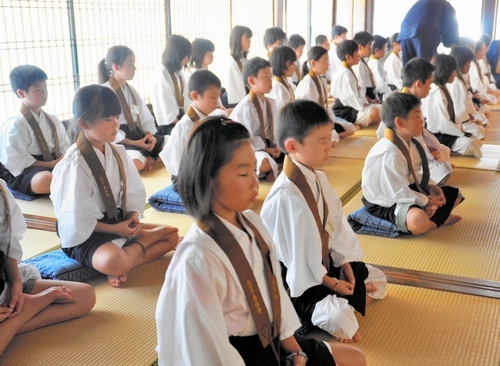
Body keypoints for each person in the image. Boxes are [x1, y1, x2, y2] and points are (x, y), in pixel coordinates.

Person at [155, 116, 367, 366]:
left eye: (254, 171)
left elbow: (276, 296)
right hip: (239, 353)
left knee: (355, 359)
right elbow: (206, 349)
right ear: (209, 179)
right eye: (244, 173)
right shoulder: (196, 257)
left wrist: (296, 352)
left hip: (273, 340)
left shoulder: (252, 223)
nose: (255, 183)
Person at [261, 100, 387, 343]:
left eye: (329, 136)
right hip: (297, 280)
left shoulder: (317, 177)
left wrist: (345, 262)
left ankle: (345, 306)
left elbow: (336, 225)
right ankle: (338, 308)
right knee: (345, 322)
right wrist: (335, 284)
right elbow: (298, 264)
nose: (330, 144)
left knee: (378, 278)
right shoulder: (285, 197)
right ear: (292, 146)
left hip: (323, 263)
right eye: (321, 141)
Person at [50, 85, 179, 288]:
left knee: (172, 235)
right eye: (108, 119)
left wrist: (133, 217)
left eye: (117, 117)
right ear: (83, 123)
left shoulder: (118, 152)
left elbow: (132, 191)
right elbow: (75, 218)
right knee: (115, 261)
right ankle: (123, 261)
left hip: (117, 222)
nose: (116, 124)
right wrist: (117, 229)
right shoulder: (73, 164)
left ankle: (122, 264)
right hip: (87, 233)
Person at [0, 178, 95, 355]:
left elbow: (8, 245)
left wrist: (16, 285)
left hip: (4, 287)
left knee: (84, 296)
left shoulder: (0, 190)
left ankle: (14, 319)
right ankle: (19, 318)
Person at [362, 92, 464, 235]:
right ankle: (435, 222)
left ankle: (432, 216)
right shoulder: (389, 153)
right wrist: (427, 200)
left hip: (404, 190)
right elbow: (397, 192)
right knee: (417, 220)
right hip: (385, 201)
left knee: (455, 196)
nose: (422, 121)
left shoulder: (410, 143)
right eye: (417, 116)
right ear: (400, 122)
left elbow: (414, 175)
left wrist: (430, 186)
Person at [0, 65, 70, 195]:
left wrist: (63, 160)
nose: (44, 93)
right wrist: (52, 165)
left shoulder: (52, 119)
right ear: (21, 93)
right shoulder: (15, 123)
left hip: (53, 163)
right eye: (38, 89)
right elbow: (15, 160)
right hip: (26, 170)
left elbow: (64, 146)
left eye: (45, 87)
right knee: (45, 179)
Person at [99, 45, 164, 172]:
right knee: (135, 161)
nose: (134, 68)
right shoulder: (105, 92)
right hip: (121, 139)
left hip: (138, 134)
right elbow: (109, 128)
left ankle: (146, 160)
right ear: (116, 67)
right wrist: (136, 143)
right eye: (130, 64)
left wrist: (149, 136)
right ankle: (146, 161)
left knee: (171, 146)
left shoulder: (131, 91)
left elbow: (145, 117)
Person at [395, 58, 454, 186]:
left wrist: (428, 148)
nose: (430, 87)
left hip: (417, 149)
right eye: (429, 83)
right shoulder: (401, 104)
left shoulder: (412, 100)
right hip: (404, 156)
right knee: (443, 171)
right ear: (418, 84)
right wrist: (427, 153)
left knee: (444, 152)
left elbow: (420, 133)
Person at [160, 69, 222, 187]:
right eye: (213, 97)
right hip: (185, 178)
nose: (217, 102)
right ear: (195, 96)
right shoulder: (185, 126)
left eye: (218, 97)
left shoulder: (209, 118)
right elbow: (177, 165)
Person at [421, 54, 482, 158]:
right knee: (471, 144)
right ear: (446, 72)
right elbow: (443, 124)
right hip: (439, 136)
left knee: (475, 139)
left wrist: (461, 128)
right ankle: (447, 150)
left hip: (447, 132)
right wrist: (461, 131)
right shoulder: (437, 92)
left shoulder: (442, 88)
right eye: (453, 71)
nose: (455, 74)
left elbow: (451, 116)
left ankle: (451, 149)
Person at [230, 57, 280, 181]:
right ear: (252, 80)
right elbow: (243, 140)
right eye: (266, 77)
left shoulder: (271, 103)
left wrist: (276, 146)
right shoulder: (245, 107)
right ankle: (276, 169)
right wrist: (265, 149)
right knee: (263, 163)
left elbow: (277, 131)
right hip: (252, 151)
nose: (271, 80)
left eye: (271, 76)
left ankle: (277, 168)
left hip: (269, 148)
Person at [295, 46, 355, 140]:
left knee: (351, 128)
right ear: (313, 63)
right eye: (325, 61)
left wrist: (331, 120)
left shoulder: (321, 79)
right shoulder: (308, 83)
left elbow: (326, 105)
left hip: (323, 120)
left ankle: (328, 137)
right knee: (333, 137)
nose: (328, 64)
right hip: (311, 124)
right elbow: (307, 113)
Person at [331, 40, 381, 128]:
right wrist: (363, 105)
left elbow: (356, 95)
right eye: (356, 52)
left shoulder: (347, 70)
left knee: (382, 109)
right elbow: (350, 97)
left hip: (353, 107)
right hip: (346, 112)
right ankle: (350, 122)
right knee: (376, 113)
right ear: (348, 57)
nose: (359, 55)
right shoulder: (345, 73)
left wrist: (366, 103)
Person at [150, 34, 192, 135]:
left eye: (188, 56)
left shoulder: (178, 72)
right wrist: (184, 126)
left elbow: (186, 99)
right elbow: (166, 111)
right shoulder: (161, 73)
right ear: (175, 54)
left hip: (181, 118)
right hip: (168, 124)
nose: (187, 59)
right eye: (184, 56)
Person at [398, 0, 459, 65]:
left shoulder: (422, 3)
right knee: (426, 68)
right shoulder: (447, 6)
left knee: (408, 69)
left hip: (404, 32)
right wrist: (456, 47)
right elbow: (450, 37)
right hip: (423, 32)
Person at [448, 46, 487, 139]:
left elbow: (465, 103)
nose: (470, 65)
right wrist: (469, 119)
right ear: (462, 63)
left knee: (481, 124)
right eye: (468, 62)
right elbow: (459, 110)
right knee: (479, 131)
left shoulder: (459, 79)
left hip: (464, 119)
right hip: (459, 122)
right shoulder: (456, 82)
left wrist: (471, 117)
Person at [221, 25, 253, 107]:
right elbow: (236, 89)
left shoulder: (243, 58)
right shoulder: (231, 62)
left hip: (243, 96)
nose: (250, 42)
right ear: (238, 39)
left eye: (250, 39)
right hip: (234, 100)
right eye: (247, 38)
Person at [469, 40, 500, 104]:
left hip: (484, 88)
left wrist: (490, 90)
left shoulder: (478, 61)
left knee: (495, 97)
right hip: (479, 91)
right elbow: (477, 84)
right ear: (476, 51)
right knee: (493, 99)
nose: (484, 52)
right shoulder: (472, 64)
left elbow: (488, 75)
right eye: (482, 50)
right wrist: (488, 91)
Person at [267, 46, 297, 111]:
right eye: (291, 63)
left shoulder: (285, 82)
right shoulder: (278, 88)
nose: (294, 66)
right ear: (282, 63)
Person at [352, 32, 378, 103]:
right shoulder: (359, 64)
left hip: (369, 95)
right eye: (369, 45)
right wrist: (370, 101)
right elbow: (360, 88)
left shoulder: (362, 61)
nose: (371, 49)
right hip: (365, 98)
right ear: (360, 47)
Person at [368, 35, 392, 101]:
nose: (385, 51)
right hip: (381, 96)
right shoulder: (376, 64)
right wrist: (390, 93)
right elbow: (380, 85)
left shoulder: (372, 61)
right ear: (377, 50)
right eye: (384, 48)